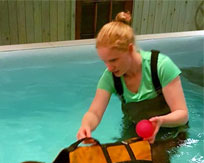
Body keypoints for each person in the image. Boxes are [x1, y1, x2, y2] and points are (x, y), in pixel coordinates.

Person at [76, 11, 189, 143]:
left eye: (113, 60)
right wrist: (86, 126)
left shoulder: (161, 67)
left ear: (130, 49)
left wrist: (161, 121)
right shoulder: (110, 77)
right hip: (135, 129)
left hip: (170, 130)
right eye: (105, 61)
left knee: (157, 160)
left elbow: (182, 114)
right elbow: (94, 113)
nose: (109, 67)